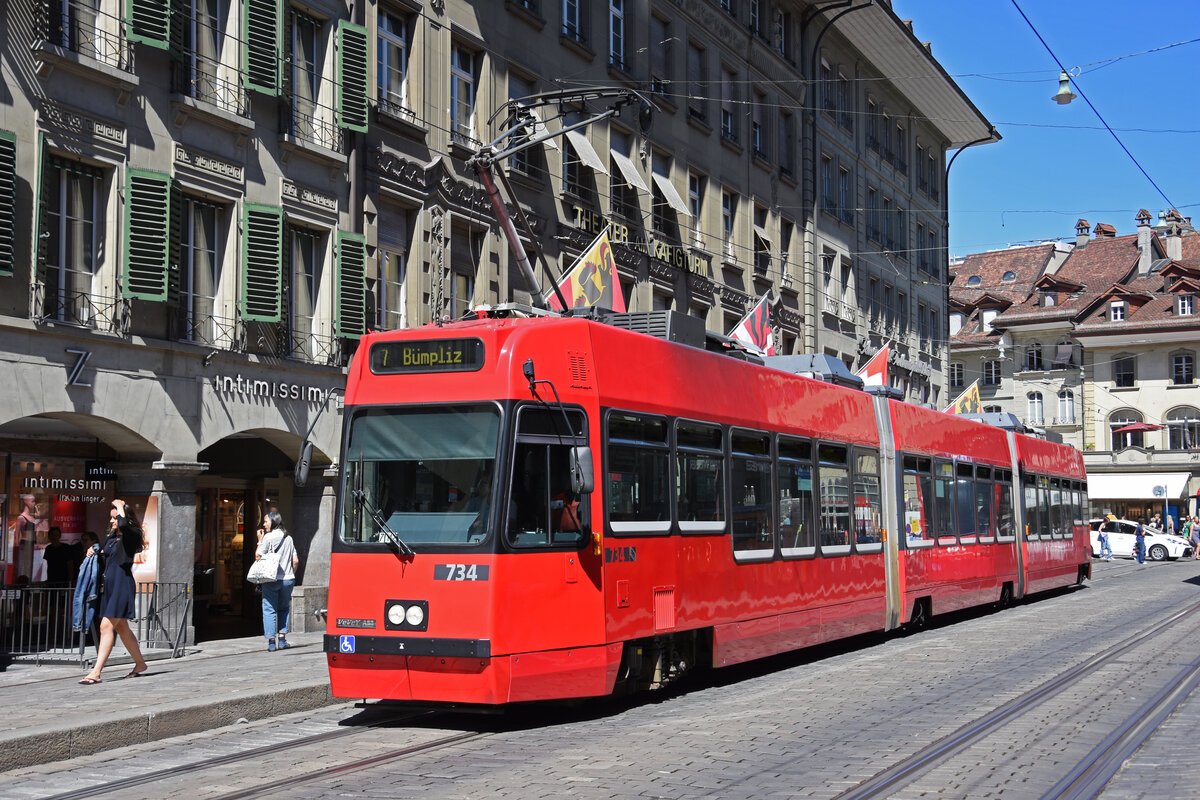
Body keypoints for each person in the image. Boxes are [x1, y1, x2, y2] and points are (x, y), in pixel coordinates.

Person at [79, 500, 148, 684]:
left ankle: (96, 672)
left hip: (121, 586)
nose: (111, 521)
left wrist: (120, 506)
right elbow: (105, 558)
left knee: (105, 626)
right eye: (111, 518)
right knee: (122, 627)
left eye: (114, 517)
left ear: (124, 516)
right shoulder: (111, 537)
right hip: (108, 587)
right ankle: (140, 663)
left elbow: (124, 525)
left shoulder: (133, 533)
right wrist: (93, 552)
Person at [254, 511, 299, 652]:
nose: (264, 524)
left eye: (266, 521)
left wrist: (259, 540)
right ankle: (283, 639)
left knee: (269, 609)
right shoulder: (288, 538)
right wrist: (291, 574)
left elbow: (257, 556)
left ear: (273, 522)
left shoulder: (268, 537)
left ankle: (272, 642)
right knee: (284, 608)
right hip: (288, 579)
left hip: (271, 579)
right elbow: (295, 560)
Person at [72, 532, 101, 644]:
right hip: (84, 588)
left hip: (91, 589)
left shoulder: (95, 554)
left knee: (91, 613)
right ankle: (83, 638)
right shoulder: (83, 554)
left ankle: (91, 640)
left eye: (86, 540)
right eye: (82, 540)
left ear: (93, 540)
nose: (83, 543)